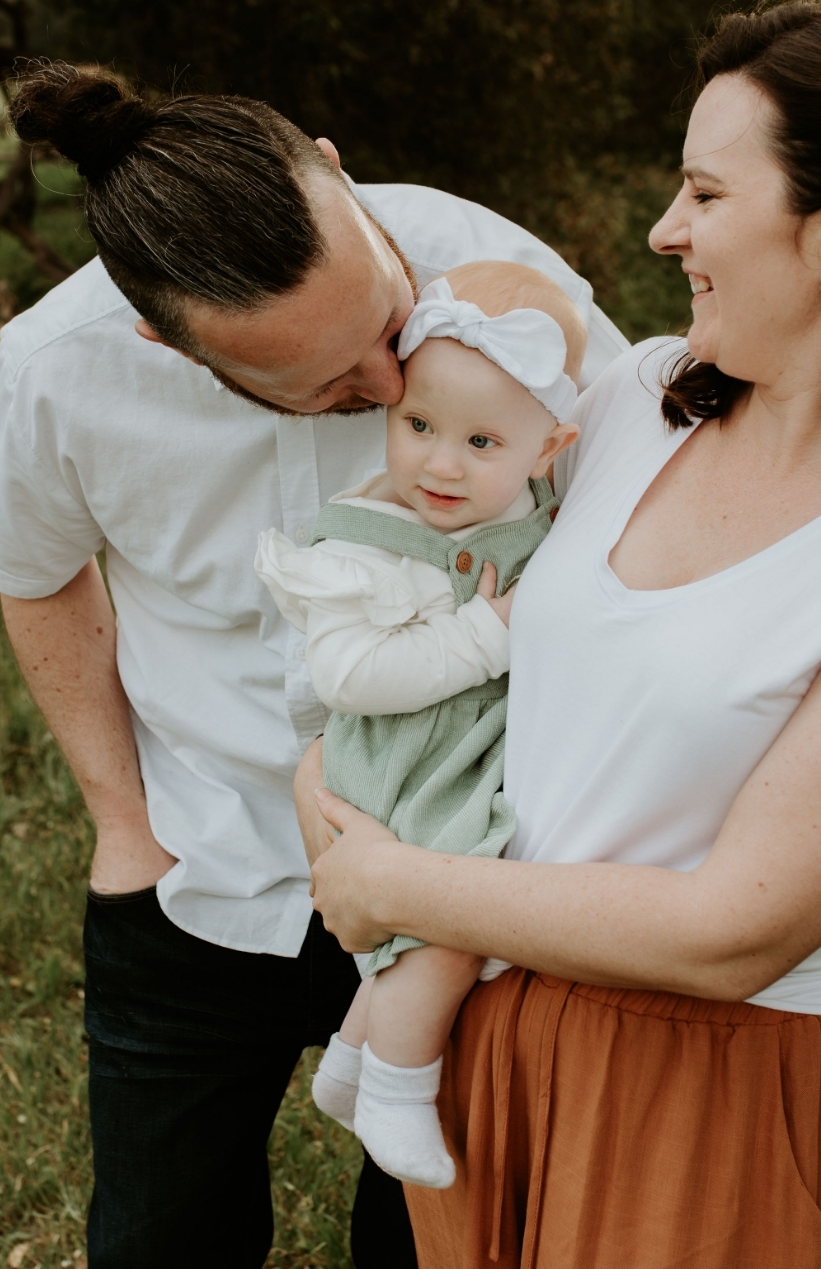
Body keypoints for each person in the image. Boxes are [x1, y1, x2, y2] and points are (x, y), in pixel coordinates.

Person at [0, 62, 631, 1267]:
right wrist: (122, 822)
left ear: (328, 163)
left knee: (438, 1243)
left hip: (461, 868)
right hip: (196, 863)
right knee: (158, 1242)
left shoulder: (509, 283)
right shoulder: (60, 365)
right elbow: (33, 571)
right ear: (160, 341)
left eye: (387, 326)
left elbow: (633, 527)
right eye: (328, 387)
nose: (390, 387)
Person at [304, 0, 821, 1267]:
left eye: (700, 193)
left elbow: (731, 928)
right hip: (489, 1028)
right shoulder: (632, 399)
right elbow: (447, 540)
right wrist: (328, 775)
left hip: (698, 1082)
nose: (660, 230)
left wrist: (393, 885)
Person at [255, 262, 583, 1190]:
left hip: (465, 754)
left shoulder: (536, 509)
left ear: (549, 445)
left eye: (481, 440)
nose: (440, 464)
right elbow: (346, 674)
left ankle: (357, 1055)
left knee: (466, 906)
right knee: (453, 907)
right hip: (398, 758)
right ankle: (400, 1086)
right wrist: (486, 634)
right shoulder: (369, 542)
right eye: (420, 426)